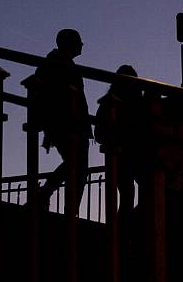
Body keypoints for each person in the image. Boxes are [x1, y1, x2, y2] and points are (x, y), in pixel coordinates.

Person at [35, 29, 91, 214]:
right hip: (68, 124)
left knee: (77, 166)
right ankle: (65, 205)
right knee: (78, 166)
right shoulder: (60, 65)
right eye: (79, 41)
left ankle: (56, 199)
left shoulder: (55, 63)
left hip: (67, 123)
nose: (82, 44)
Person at [94, 64, 143, 231]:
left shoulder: (109, 102)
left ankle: (121, 230)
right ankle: (124, 229)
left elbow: (98, 132)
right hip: (131, 154)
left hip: (123, 156)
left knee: (128, 196)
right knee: (134, 194)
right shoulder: (138, 103)